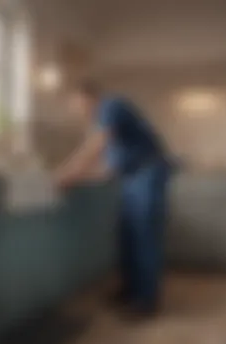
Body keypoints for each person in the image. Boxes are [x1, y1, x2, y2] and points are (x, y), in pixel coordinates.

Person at [55, 80, 172, 320]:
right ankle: (130, 290)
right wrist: (78, 177)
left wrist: (67, 172)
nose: (78, 111)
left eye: (76, 105)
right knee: (127, 235)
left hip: (147, 173)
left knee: (144, 235)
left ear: (87, 97)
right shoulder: (106, 125)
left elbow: (96, 144)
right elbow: (108, 170)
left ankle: (146, 301)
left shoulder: (110, 105)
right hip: (131, 179)